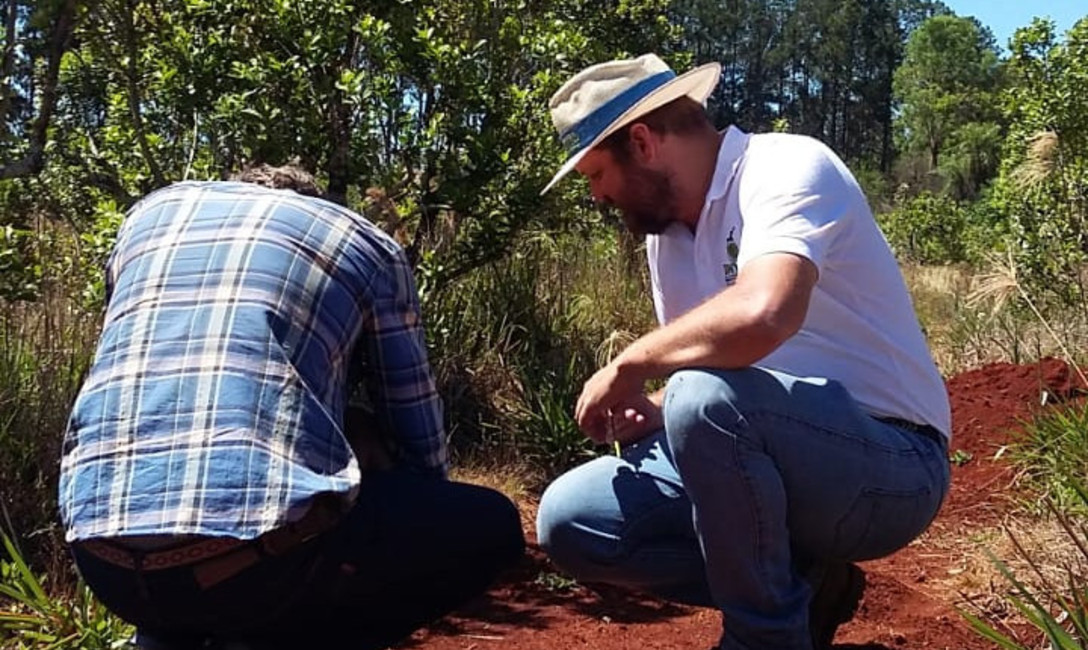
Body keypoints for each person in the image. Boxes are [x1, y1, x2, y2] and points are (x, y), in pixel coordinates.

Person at [536, 54, 951, 650]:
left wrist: (631, 365)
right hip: (776, 454)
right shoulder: (667, 240)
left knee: (700, 398)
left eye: (596, 174)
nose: (598, 197)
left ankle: (764, 638)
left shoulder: (785, 166)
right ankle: (802, 588)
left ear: (643, 142)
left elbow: (765, 313)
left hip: (891, 465)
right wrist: (656, 408)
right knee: (572, 520)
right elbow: (717, 378)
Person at [59, 165, 525, 650]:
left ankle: (163, 635)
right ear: (315, 200)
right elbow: (418, 438)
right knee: (490, 524)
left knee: (174, 572)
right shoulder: (362, 241)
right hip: (264, 570)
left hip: (100, 559)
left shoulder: (149, 217)